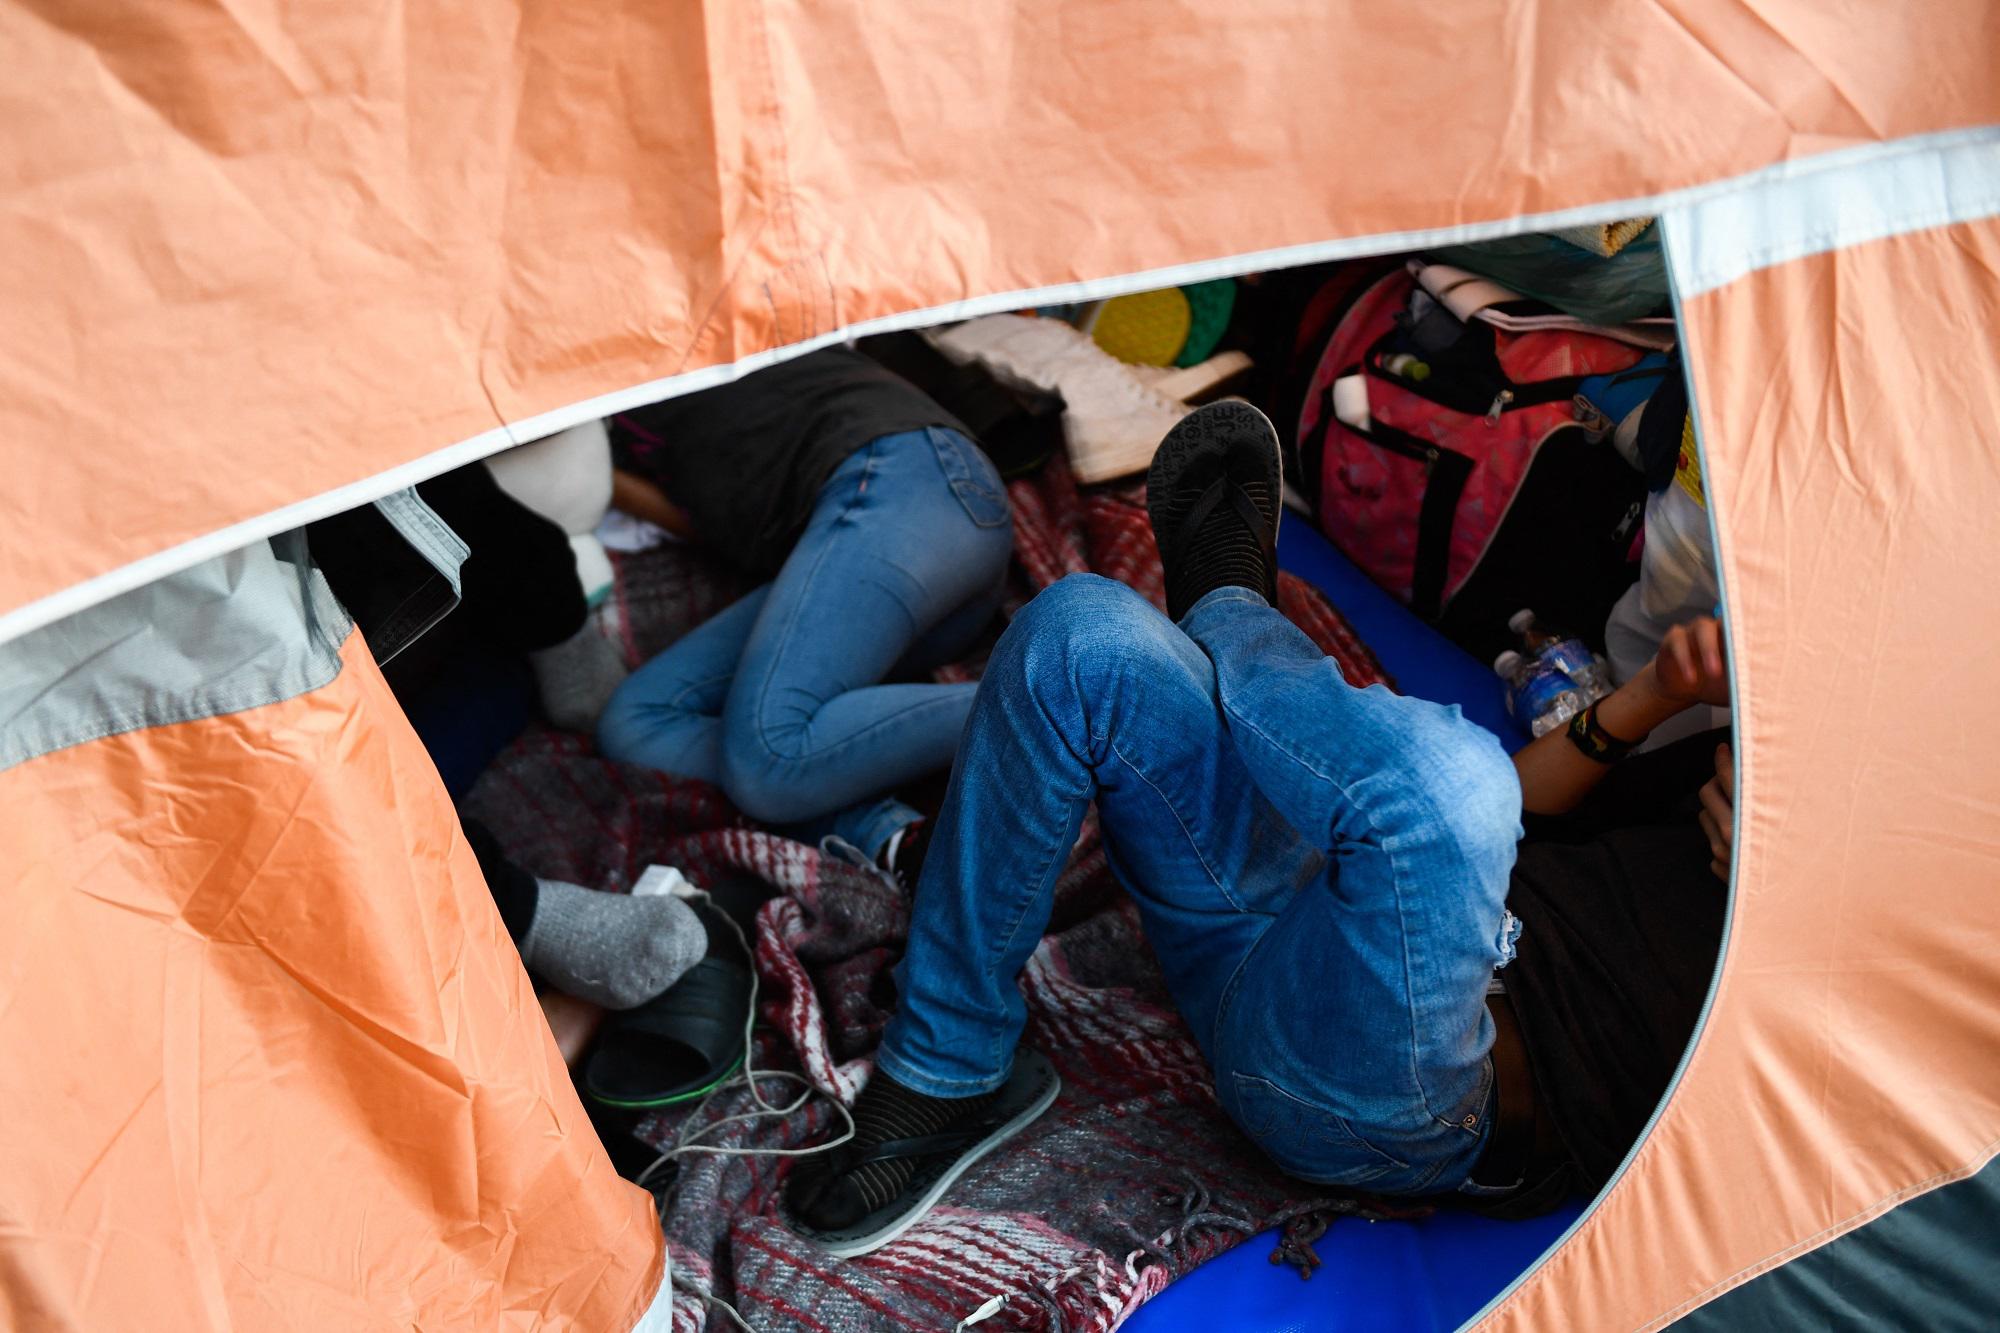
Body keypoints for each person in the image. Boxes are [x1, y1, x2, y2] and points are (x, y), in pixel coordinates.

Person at [784, 400, 1736, 1251]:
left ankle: (1230, 609)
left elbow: (1759, 1151)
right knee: (1078, 633)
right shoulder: (1750, 767)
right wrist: (1659, 694)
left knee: (1455, 783)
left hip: (1399, 1092)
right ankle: (946, 1068)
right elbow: (1525, 804)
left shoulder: (1825, 958)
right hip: (1315, 917)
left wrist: (1766, 908)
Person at [596, 346, 1015, 874]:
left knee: (770, 756)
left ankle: (1063, 706)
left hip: (906, 478)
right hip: (877, 561)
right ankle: (892, 838)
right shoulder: (609, 437)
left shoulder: (671, 334)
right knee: (635, 723)